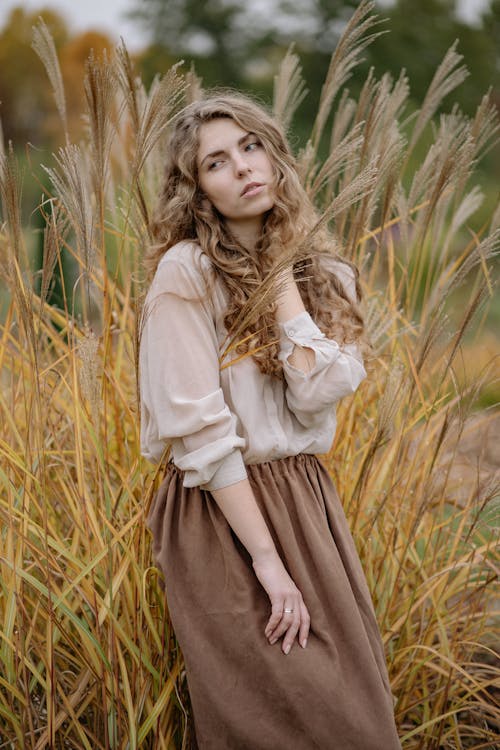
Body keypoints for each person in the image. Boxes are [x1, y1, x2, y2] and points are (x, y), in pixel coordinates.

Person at [139, 91, 401, 750]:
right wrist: (267, 561)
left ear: (276, 155)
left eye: (252, 147)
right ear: (196, 189)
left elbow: (319, 394)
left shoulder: (325, 271)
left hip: (307, 502)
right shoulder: (186, 273)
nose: (244, 168)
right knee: (274, 720)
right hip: (222, 508)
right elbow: (199, 432)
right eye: (217, 162)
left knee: (359, 718)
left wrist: (279, 272)